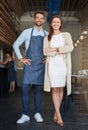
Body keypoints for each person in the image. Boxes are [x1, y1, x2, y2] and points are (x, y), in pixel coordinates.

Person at [13, 11, 48, 124]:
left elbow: (50, 49)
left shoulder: (47, 34)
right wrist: (21, 58)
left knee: (38, 90)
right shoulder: (27, 32)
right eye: (37, 17)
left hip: (40, 66)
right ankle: (25, 114)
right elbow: (15, 44)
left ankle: (37, 113)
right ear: (34, 19)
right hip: (29, 65)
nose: (39, 19)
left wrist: (48, 58)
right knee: (25, 89)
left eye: (41, 18)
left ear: (43, 20)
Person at [43, 15, 74, 126]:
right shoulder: (46, 38)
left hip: (63, 65)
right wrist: (60, 50)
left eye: (58, 22)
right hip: (52, 65)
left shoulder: (66, 35)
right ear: (51, 24)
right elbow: (45, 52)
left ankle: (56, 112)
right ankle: (59, 115)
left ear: (60, 24)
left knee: (61, 89)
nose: (56, 24)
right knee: (55, 89)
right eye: (54, 22)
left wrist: (55, 49)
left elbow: (70, 47)